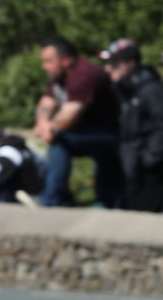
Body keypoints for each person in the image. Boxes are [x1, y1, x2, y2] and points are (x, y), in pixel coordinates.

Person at [34, 36, 123, 208]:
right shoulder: (59, 76)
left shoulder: (84, 74)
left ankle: (52, 199)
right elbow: (46, 103)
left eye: (48, 61)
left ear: (66, 60)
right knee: (59, 138)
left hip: (113, 133)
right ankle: (62, 196)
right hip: (90, 130)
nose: (44, 66)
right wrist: (42, 123)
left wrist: (49, 129)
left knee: (60, 140)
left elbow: (68, 118)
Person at [102, 39, 163, 213]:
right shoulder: (123, 88)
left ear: (132, 63)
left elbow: (161, 125)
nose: (110, 67)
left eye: (116, 63)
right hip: (131, 161)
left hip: (149, 166)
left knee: (146, 213)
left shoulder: (151, 89)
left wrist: (150, 157)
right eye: (110, 63)